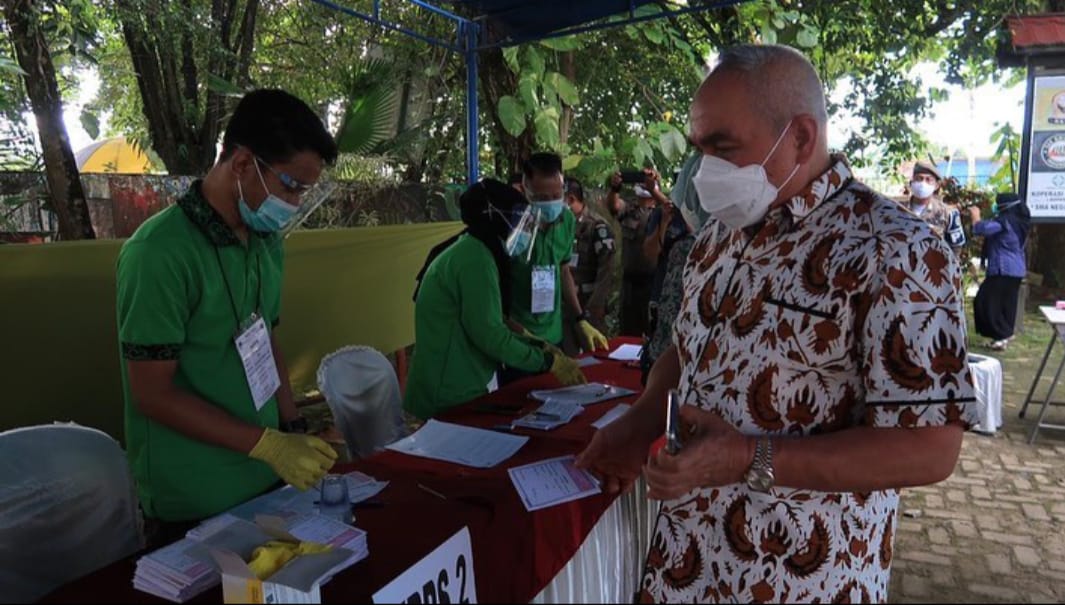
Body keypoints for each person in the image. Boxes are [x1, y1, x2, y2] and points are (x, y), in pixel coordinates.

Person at [576, 44, 978, 603]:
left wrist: (748, 458)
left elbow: (931, 448)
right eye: (699, 149)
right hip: (686, 562)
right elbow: (689, 349)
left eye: (723, 147)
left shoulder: (899, 252)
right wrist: (639, 420)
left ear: (802, 138)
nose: (704, 171)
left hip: (803, 576)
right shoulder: (717, 236)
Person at [116, 89, 340, 536]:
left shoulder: (265, 240)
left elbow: (265, 334)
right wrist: (269, 444)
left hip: (264, 474)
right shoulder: (158, 252)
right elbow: (152, 394)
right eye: (291, 186)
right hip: (193, 492)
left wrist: (291, 425)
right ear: (241, 164)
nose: (294, 204)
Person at [404, 179, 586, 419]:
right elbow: (489, 334)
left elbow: (490, 318)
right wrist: (546, 361)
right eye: (518, 220)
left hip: (458, 390)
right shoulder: (475, 259)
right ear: (497, 218)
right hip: (444, 397)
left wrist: (533, 342)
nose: (521, 230)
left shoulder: (475, 251)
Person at [501, 153, 607, 383]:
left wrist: (580, 318)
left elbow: (563, 269)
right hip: (518, 338)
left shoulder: (567, 220)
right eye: (541, 197)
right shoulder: (511, 226)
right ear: (524, 189)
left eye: (556, 195)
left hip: (553, 334)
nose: (550, 202)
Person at [607, 169, 666, 336]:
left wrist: (654, 188)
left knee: (652, 330)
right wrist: (614, 188)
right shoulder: (629, 209)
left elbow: (673, 211)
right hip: (630, 283)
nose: (643, 183)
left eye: (647, 179)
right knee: (628, 332)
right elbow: (613, 206)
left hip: (653, 283)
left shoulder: (661, 212)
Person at [561, 176, 616, 356]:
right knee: (569, 354)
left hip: (589, 302)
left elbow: (607, 268)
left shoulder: (596, 226)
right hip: (567, 304)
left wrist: (597, 304)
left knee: (594, 354)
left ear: (570, 199)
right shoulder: (561, 225)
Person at [970, 192, 1031, 351]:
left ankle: (1002, 334)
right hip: (1016, 270)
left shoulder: (1004, 222)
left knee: (985, 302)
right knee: (1006, 304)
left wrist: (975, 216)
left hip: (1003, 269)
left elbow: (981, 229)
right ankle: (1002, 337)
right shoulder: (1020, 222)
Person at [906, 160, 966, 256]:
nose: (922, 183)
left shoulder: (948, 213)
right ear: (911, 183)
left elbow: (956, 248)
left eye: (928, 179)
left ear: (936, 185)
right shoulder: (897, 210)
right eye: (919, 178)